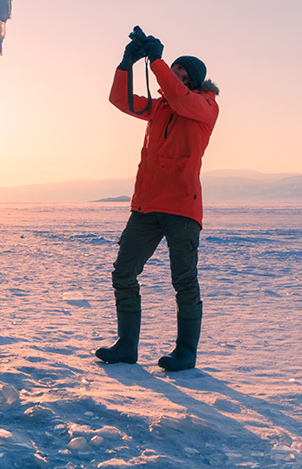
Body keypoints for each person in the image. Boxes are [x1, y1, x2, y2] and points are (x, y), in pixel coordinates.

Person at [94, 26, 220, 372]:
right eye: (173, 69)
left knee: (183, 280)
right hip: (147, 206)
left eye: (181, 72)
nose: (173, 75)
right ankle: (126, 345)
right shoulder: (161, 107)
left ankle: (185, 351)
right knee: (123, 272)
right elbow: (121, 101)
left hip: (181, 206)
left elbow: (179, 97)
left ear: (193, 81)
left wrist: (158, 61)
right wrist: (126, 65)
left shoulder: (204, 106)